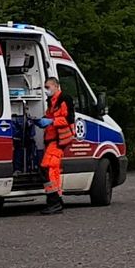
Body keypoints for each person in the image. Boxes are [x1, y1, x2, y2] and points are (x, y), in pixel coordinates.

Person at [34, 77, 74, 215]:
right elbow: (50, 117)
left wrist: (51, 121)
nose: (46, 90)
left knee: (47, 168)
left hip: (59, 140)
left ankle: (54, 202)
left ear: (56, 86)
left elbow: (68, 119)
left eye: (48, 87)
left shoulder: (64, 99)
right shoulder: (51, 101)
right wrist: (41, 121)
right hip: (52, 140)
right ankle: (57, 200)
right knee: (53, 170)